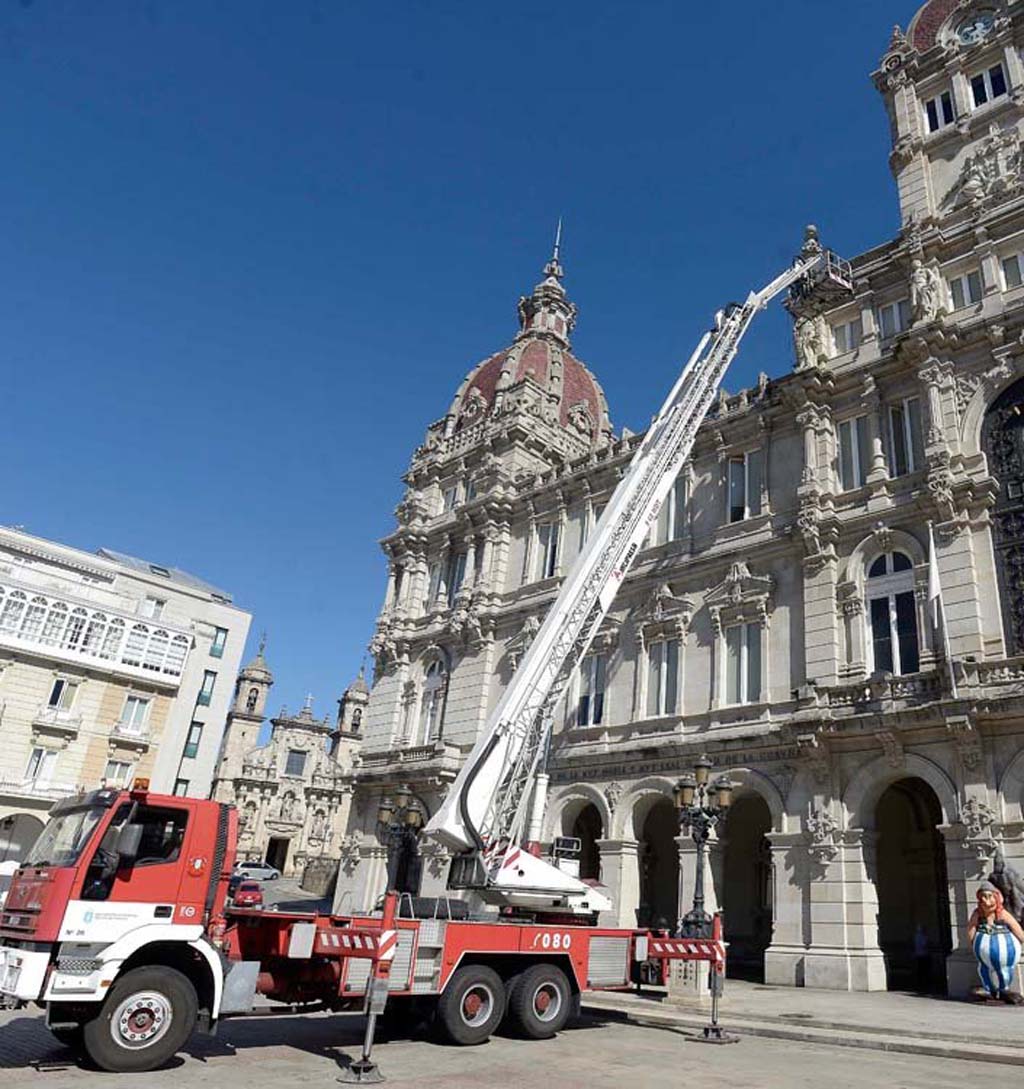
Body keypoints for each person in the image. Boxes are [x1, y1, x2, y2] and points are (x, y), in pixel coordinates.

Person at [967, 881, 1024, 1003]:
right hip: (983, 955)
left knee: (1004, 970)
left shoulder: (1002, 914)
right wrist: (973, 942)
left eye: (990, 897)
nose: (987, 903)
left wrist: (1021, 940)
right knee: (983, 969)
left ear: (996, 898)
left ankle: (1004, 988)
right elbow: (971, 927)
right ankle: (988, 988)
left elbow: (1015, 927)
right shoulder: (978, 914)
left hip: (1004, 952)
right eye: (983, 898)